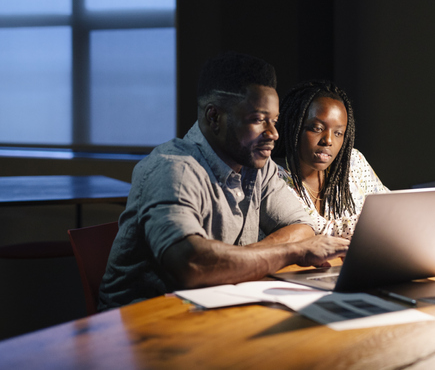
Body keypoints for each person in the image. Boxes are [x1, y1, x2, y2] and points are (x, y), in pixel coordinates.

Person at [98, 53, 349, 310]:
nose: (273, 133)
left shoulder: (257, 166)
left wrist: (247, 259)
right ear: (214, 116)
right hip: (139, 326)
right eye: (258, 120)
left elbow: (302, 226)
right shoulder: (172, 168)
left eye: (274, 121)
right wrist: (294, 252)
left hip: (211, 310)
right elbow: (191, 264)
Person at [274, 80, 388, 239]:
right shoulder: (273, 176)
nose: (328, 140)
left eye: (338, 133)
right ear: (295, 126)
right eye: (317, 129)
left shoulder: (353, 162)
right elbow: (316, 230)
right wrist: (378, 223)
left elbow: (390, 208)